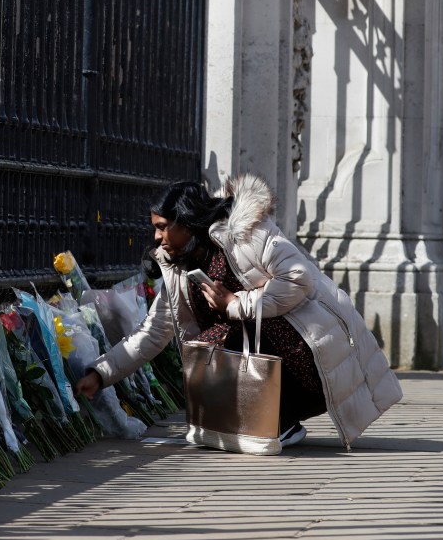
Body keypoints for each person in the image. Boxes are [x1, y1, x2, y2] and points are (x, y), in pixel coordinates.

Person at [75, 174, 402, 450]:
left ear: (186, 223)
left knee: (219, 335)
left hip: (314, 360)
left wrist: (236, 304)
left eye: (163, 227)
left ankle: (280, 419)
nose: (157, 237)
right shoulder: (179, 266)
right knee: (205, 346)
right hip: (261, 364)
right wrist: (101, 373)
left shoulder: (247, 234)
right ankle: (264, 420)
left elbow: (297, 278)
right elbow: (154, 331)